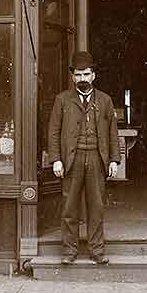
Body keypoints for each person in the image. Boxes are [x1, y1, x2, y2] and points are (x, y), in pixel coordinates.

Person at [47, 51, 120, 265]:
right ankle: (69, 251)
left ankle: (97, 250)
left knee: (96, 206)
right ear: (73, 77)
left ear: (94, 76)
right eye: (78, 75)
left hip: (97, 159)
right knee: (70, 206)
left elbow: (112, 132)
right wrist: (56, 159)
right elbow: (53, 131)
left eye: (86, 74)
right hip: (72, 159)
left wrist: (114, 159)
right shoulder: (62, 100)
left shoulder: (105, 100)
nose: (82, 79)